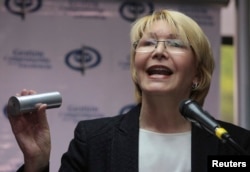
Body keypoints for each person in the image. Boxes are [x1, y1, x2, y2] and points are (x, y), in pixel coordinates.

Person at [8, 9, 250, 172]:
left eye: (175, 44)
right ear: (136, 67)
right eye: (148, 43)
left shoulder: (233, 145)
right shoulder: (94, 140)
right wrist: (36, 164)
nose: (159, 51)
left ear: (197, 75)